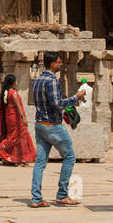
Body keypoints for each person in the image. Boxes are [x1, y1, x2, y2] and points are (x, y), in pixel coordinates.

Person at [29, 51, 87, 207]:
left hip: (40, 123)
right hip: (52, 125)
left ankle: (36, 198)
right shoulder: (52, 80)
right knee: (70, 157)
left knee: (40, 162)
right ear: (53, 63)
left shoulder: (37, 79)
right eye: (59, 62)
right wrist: (76, 97)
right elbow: (58, 103)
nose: (61, 65)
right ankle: (62, 194)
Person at [0, 74, 35, 166]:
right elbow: (18, 107)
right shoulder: (13, 93)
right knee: (13, 138)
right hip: (16, 119)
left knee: (18, 137)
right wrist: (23, 118)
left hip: (9, 118)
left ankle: (18, 158)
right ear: (13, 83)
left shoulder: (6, 93)